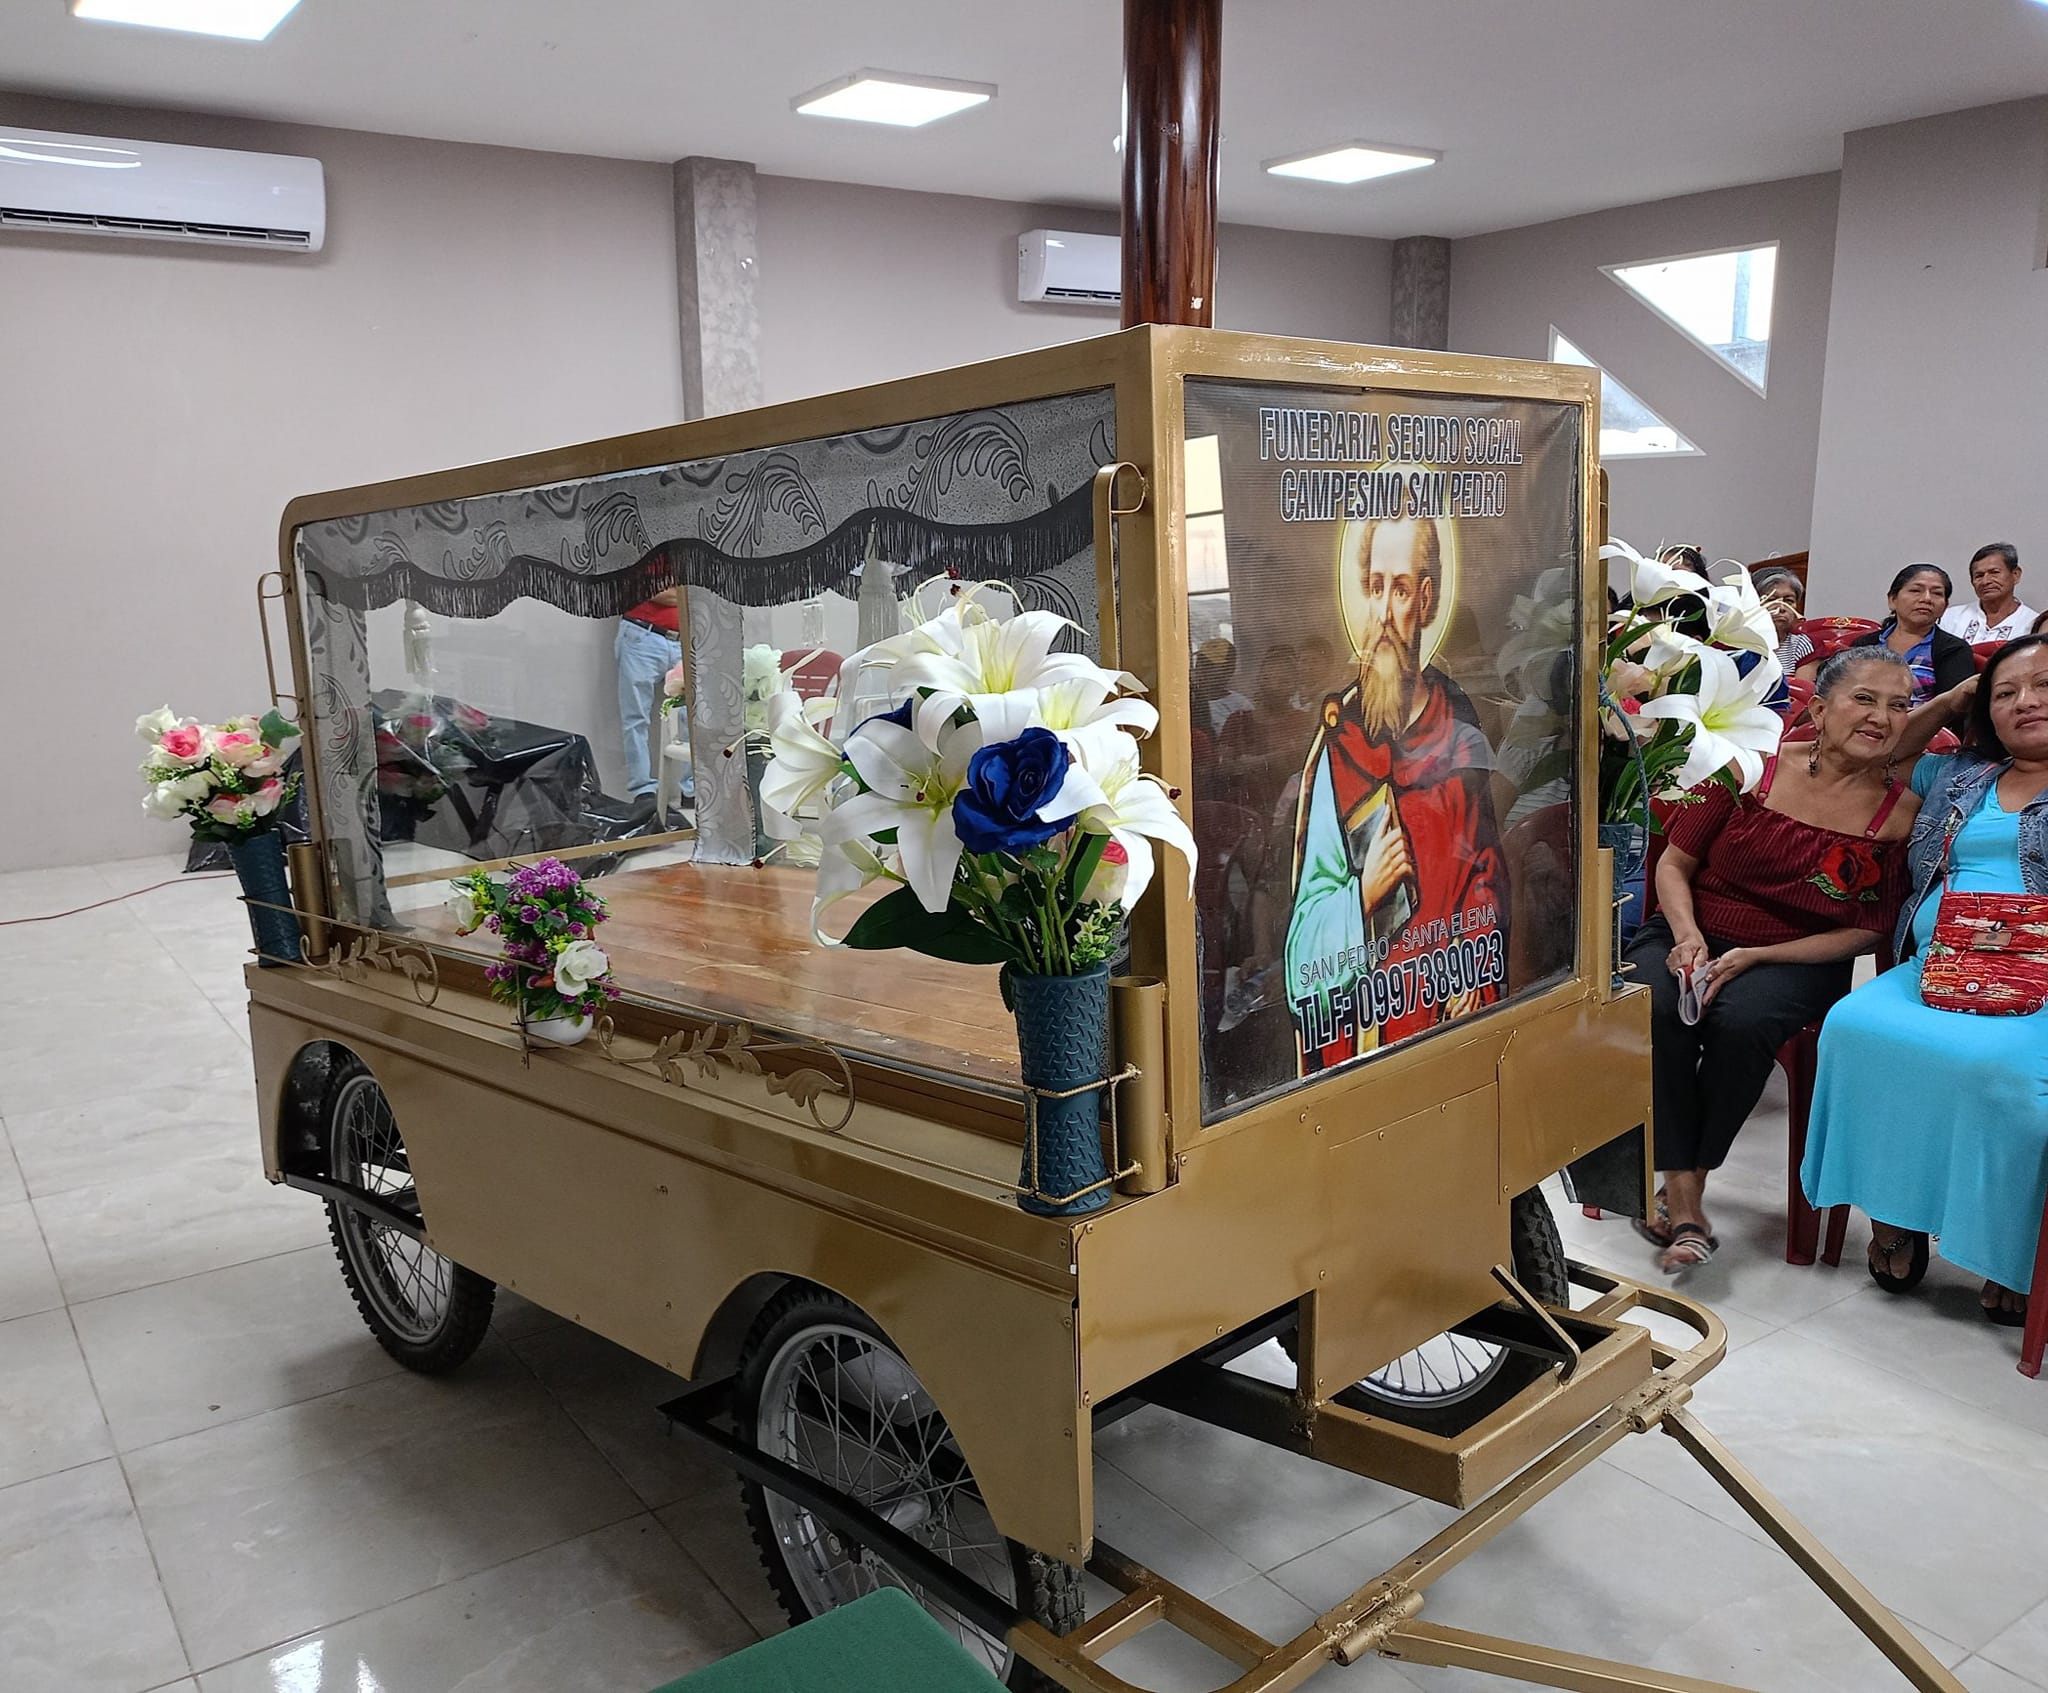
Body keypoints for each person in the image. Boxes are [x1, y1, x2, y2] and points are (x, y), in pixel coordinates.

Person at [1625, 648, 1922, 1273]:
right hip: (1690, 927)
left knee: (1742, 1022)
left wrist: (1759, 954)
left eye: (1899, 706)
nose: (1881, 717)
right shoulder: (1748, 768)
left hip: (1798, 954)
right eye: (1864, 699)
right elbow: (1674, 865)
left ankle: (1685, 1191)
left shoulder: (1899, 814)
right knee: (1654, 1006)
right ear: (1819, 710)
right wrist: (1688, 936)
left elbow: (1867, 929)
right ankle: (1685, 1193)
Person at [1803, 637, 2048, 1326]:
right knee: (1854, 1028)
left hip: (2040, 983)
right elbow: (1882, 755)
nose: (2026, 701)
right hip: (1938, 965)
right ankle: (1894, 1216)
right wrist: (1949, 698)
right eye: (2006, 692)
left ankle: (2009, 1251)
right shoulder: (1962, 775)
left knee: (1997, 1072)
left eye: (2044, 685)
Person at [1284, 515, 1505, 1070]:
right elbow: (1300, 960)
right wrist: (1362, 894)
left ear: (1426, 601)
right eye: (1374, 587)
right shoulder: (1340, 749)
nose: (1383, 612)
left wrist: (1474, 970)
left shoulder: (1459, 731)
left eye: (1400, 590)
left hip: (1448, 1018)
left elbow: (1483, 871)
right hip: (1368, 1035)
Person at [1849, 564, 1976, 704]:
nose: (1927, 599)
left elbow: (1952, 708)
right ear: (1892, 600)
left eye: (1937, 593)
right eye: (1916, 590)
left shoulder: (1954, 649)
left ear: (1945, 606)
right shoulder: (1865, 644)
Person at [616, 588, 683, 801]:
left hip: (684, 638)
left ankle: (693, 790)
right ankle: (643, 791)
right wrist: (693, 592)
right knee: (636, 717)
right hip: (642, 635)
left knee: (695, 715)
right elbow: (654, 590)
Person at [1939, 542, 2035, 645]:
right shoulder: (1950, 617)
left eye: (1994, 572)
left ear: (2015, 574)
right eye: (1979, 576)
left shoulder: (2033, 623)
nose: (1986, 581)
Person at [1753, 567, 1814, 674]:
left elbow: (1803, 684)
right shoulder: (1734, 644)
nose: (1781, 608)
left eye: (1789, 601)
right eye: (1771, 600)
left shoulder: (1802, 645)